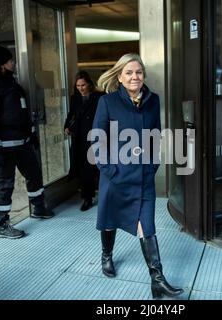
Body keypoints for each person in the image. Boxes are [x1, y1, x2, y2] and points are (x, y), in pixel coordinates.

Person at [91, 53, 184, 299]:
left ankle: (157, 279)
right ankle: (106, 255)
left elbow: (155, 135)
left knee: (147, 225)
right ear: (119, 77)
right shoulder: (107, 102)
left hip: (143, 176)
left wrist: (153, 165)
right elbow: (98, 141)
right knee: (110, 220)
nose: (135, 77)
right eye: (129, 73)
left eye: (139, 72)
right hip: (115, 176)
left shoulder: (153, 101)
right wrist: (111, 171)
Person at [0, 44, 53, 239]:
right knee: (4, 183)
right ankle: (2, 225)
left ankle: (38, 208)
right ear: (2, 64)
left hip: (22, 142)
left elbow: (22, 110)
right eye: (10, 60)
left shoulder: (12, 83)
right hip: (3, 145)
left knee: (34, 175)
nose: (14, 63)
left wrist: (31, 133)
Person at [64, 71, 103, 211]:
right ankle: (87, 198)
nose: (81, 88)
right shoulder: (75, 98)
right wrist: (67, 126)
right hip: (80, 138)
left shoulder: (99, 97)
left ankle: (107, 196)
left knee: (99, 168)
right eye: (78, 85)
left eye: (83, 85)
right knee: (84, 169)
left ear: (89, 84)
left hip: (96, 136)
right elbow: (71, 115)